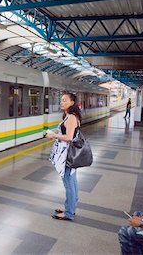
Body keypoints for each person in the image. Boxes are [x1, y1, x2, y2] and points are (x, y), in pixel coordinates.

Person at [46, 92, 81, 221]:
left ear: (72, 103)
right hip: (69, 155)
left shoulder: (71, 117)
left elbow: (69, 138)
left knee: (69, 183)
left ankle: (69, 213)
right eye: (61, 100)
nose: (62, 102)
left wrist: (53, 135)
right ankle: (70, 207)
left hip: (67, 156)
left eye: (65, 100)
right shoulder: (69, 116)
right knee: (72, 182)